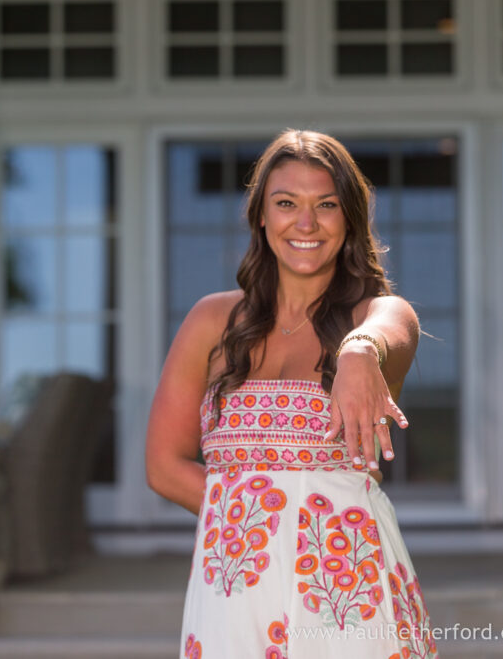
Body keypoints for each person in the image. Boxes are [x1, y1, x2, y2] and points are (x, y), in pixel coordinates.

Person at [146, 129, 439, 658]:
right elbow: (163, 465)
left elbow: (393, 323)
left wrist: (359, 351)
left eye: (326, 204)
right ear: (261, 215)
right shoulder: (211, 320)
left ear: (349, 218)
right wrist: (257, 517)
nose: (306, 223)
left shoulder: (374, 316)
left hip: (347, 582)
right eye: (286, 203)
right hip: (235, 580)